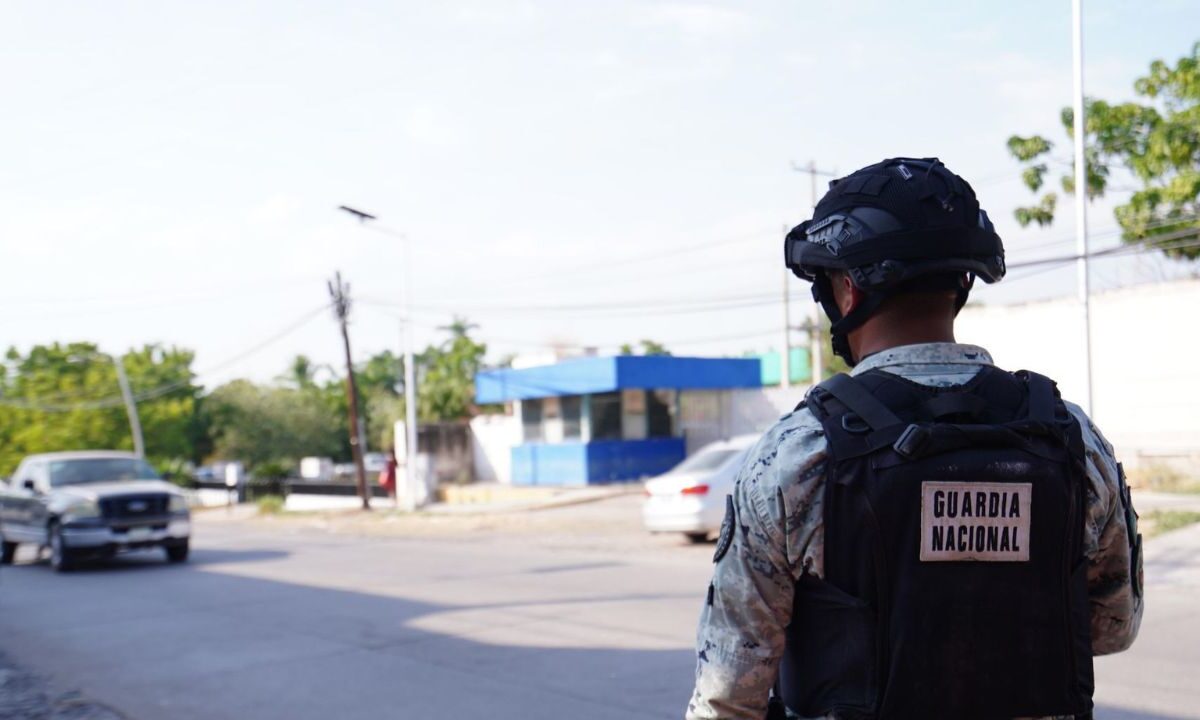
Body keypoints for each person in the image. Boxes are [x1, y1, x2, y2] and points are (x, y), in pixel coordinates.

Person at [686, 158, 1143, 720]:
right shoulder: (1073, 439)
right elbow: (1113, 626)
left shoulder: (799, 454)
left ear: (847, 290)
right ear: (961, 284)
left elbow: (731, 688)